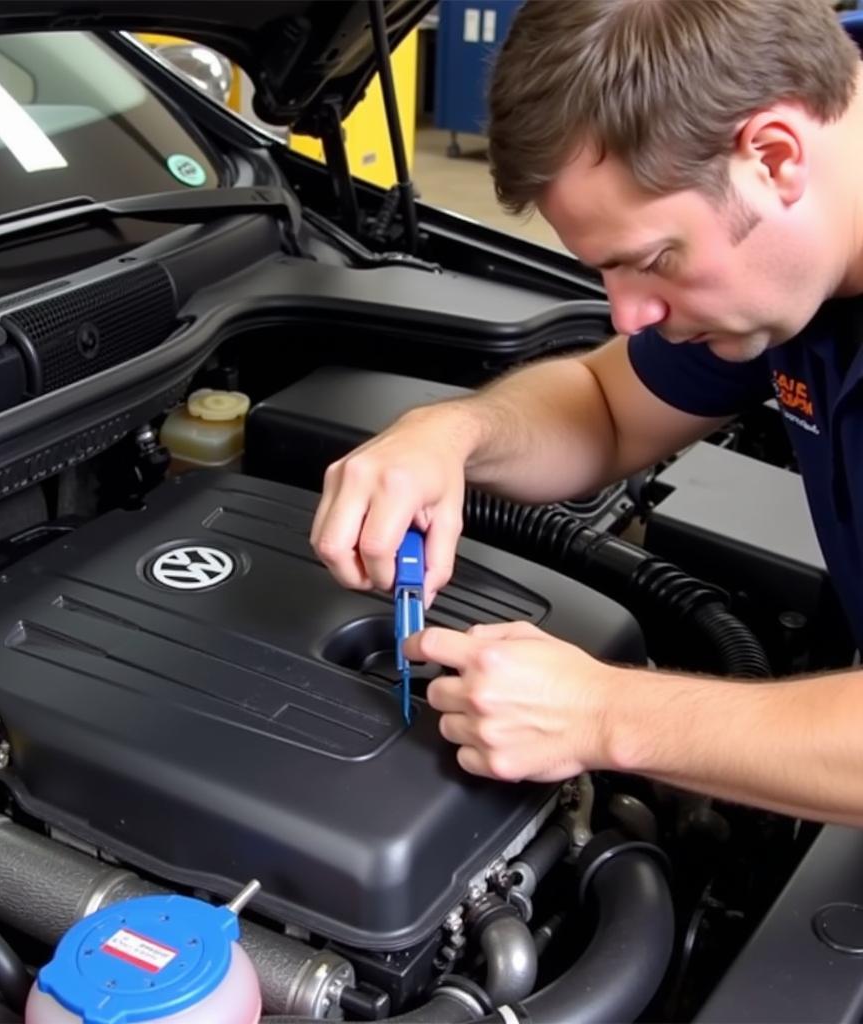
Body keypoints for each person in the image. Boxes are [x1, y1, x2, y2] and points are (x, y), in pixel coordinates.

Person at [310, 0, 863, 826]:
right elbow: (608, 405)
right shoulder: (791, 226)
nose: (629, 314)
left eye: (650, 261)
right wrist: (449, 434)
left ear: (775, 156)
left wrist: (606, 715)